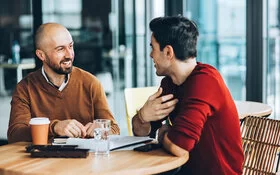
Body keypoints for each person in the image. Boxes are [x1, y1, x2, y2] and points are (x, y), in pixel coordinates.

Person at [132, 16, 244, 174]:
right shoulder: (169, 83)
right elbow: (141, 135)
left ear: (168, 52)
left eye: (153, 48)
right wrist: (142, 116)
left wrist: (163, 134)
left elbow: (180, 146)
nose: (151, 55)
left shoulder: (206, 81)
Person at [7, 23, 120, 143]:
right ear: (41, 55)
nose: (69, 55)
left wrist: (102, 129)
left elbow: (114, 129)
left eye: (70, 46)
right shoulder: (25, 88)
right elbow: (15, 135)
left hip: (83, 160)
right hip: (43, 160)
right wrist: (54, 128)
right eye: (60, 49)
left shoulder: (91, 83)